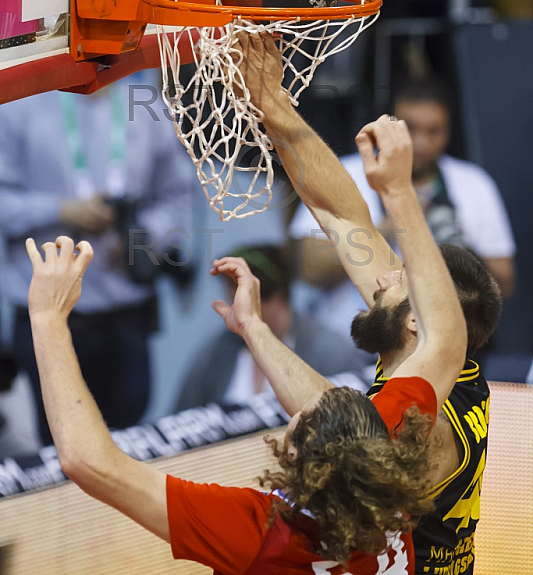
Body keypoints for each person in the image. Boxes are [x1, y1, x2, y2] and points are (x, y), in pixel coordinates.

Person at [24, 119, 466, 573]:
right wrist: (255, 328)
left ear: (298, 462)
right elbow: (449, 341)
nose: (300, 405)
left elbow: (88, 462)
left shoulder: (259, 536)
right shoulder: (394, 485)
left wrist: (47, 317)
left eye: (306, 414)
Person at [232, 30, 502, 575]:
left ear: (414, 325)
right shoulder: (424, 357)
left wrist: (400, 193)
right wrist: (273, 102)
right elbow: (342, 216)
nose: (380, 280)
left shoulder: (428, 433)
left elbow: (335, 418)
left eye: (397, 282)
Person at [0, 80, 194, 445]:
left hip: (127, 318)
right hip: (46, 320)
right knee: (53, 449)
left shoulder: (147, 103)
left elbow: (177, 197)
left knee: (127, 441)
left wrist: (142, 237)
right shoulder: (18, 103)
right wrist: (60, 210)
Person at [290, 77, 515, 338]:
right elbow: (310, 269)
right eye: (411, 129)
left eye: (434, 131)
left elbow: (505, 284)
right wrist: (396, 221)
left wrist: (458, 247)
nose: (420, 143)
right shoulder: (343, 173)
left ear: (449, 130)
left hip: (440, 344)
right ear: (387, 125)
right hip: (347, 344)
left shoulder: (473, 184)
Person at [174, 243, 370, 412]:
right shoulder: (216, 353)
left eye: (241, 302)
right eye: (231, 300)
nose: (235, 311)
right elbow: (179, 422)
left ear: (277, 296)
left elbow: (357, 423)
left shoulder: (331, 353)